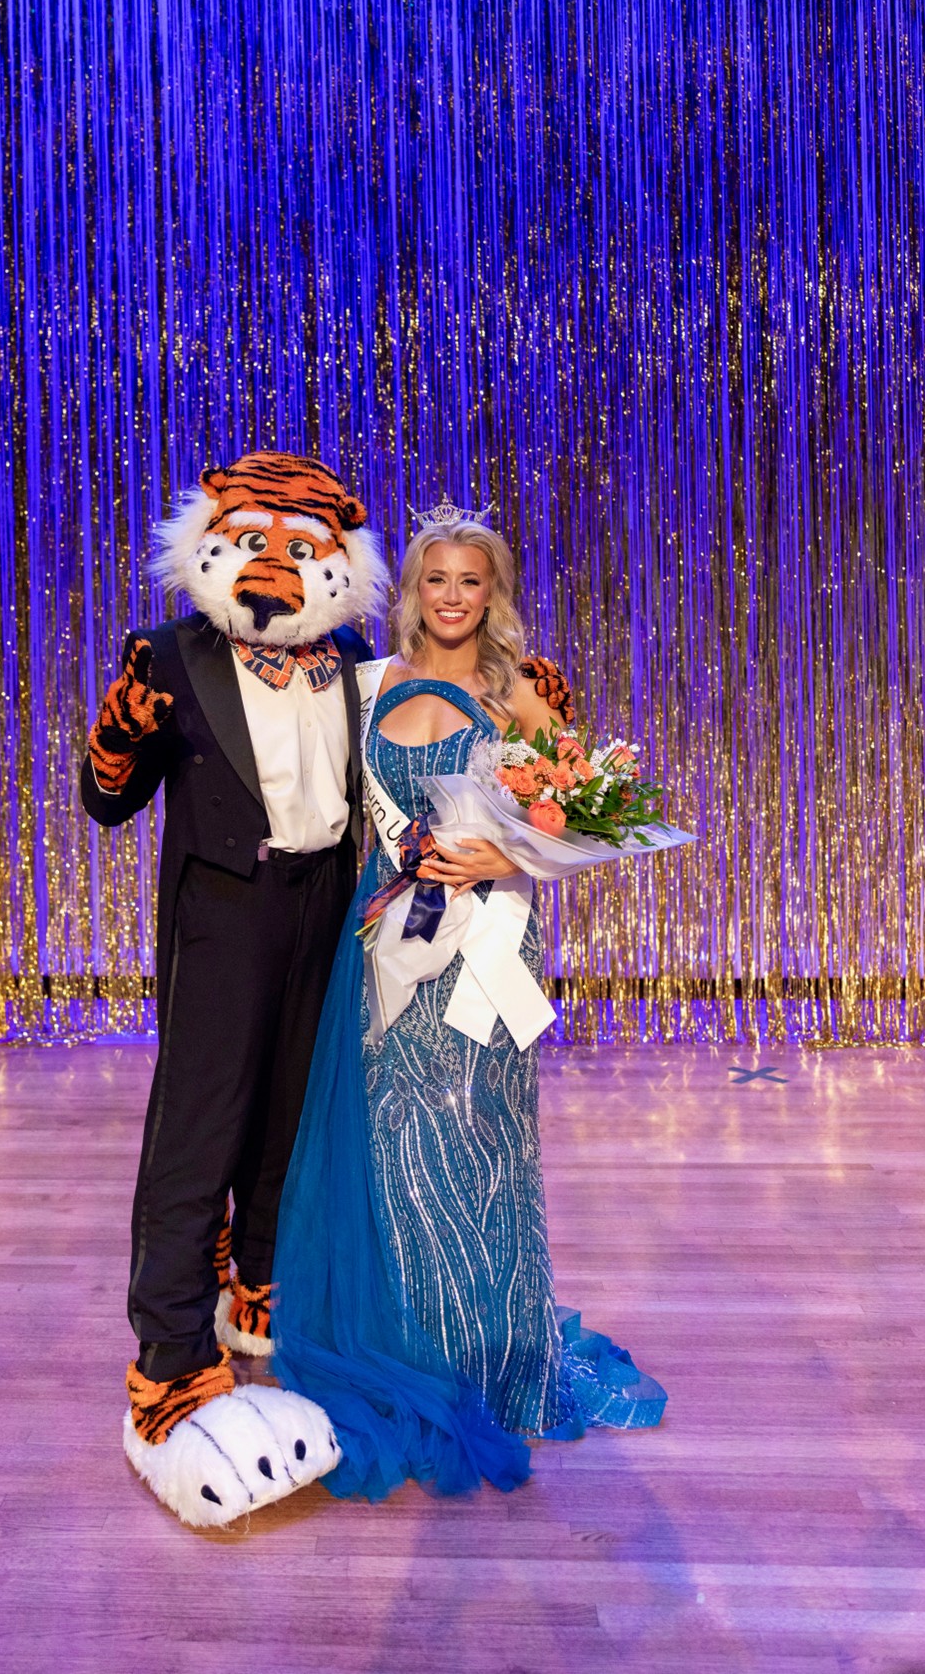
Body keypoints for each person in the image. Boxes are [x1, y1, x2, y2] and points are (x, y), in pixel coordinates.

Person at [271, 503, 665, 1500]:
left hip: (485, 933)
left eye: (471, 581)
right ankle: (410, 1335)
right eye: (435, 580)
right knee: (394, 1132)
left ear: (492, 594)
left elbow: (588, 822)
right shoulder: (371, 686)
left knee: (478, 1132)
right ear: (411, 593)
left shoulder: (520, 690)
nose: (452, 597)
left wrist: (506, 850)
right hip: (387, 932)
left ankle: (490, 1353)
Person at [80, 450, 385, 1526]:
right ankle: (166, 1361)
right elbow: (105, 802)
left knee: (290, 1121)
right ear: (211, 547)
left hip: (326, 910)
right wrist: (117, 730)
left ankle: (259, 1299)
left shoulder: (355, 662)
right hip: (225, 912)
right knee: (197, 1131)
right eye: (256, 542)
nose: (277, 568)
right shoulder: (168, 656)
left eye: (303, 549)